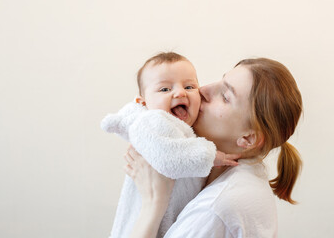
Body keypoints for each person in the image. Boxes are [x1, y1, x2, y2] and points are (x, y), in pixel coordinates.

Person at [124, 58, 303, 238]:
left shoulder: (216, 209)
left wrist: (152, 203)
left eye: (225, 97)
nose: (203, 90)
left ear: (248, 138)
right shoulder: (238, 179)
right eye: (220, 81)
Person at [101, 52, 239, 238]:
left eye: (189, 86)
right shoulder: (151, 121)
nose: (180, 92)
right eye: (165, 89)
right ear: (143, 102)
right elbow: (167, 157)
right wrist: (211, 156)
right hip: (144, 226)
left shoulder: (187, 130)